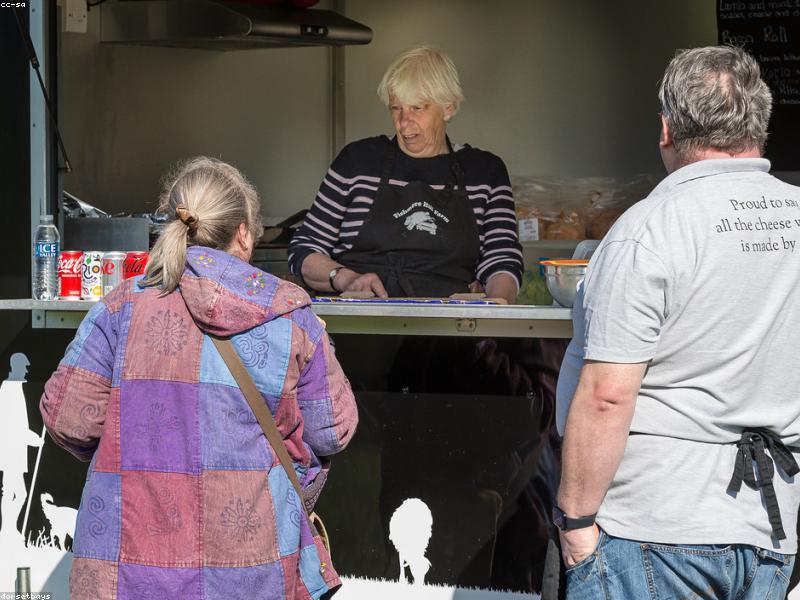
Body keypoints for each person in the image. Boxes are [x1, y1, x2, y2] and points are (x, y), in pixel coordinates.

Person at [39, 157, 358, 600]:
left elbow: (68, 419)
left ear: (174, 225)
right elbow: (332, 433)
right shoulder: (291, 316)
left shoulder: (119, 307)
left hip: (127, 573)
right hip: (254, 570)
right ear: (243, 232)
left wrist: (130, 458)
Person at [554, 45, 800, 599]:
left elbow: (606, 397)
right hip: (770, 529)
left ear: (667, 130)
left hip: (655, 529)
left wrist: (575, 523)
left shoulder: (650, 228)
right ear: (759, 123)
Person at [288, 44, 522, 304]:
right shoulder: (357, 162)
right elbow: (305, 248)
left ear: (448, 108)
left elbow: (503, 260)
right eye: (396, 108)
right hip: (361, 325)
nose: (403, 122)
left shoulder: (484, 172)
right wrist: (346, 278)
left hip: (451, 330)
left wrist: (495, 306)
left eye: (417, 108)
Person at [0, 352, 42, 545]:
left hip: (15, 452)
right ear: (15, 366)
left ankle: (9, 528)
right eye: (24, 366)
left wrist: (30, 438)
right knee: (13, 492)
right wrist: (32, 439)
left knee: (14, 492)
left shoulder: (14, 388)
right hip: (11, 452)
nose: (27, 370)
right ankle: (8, 529)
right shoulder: (9, 389)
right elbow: (12, 425)